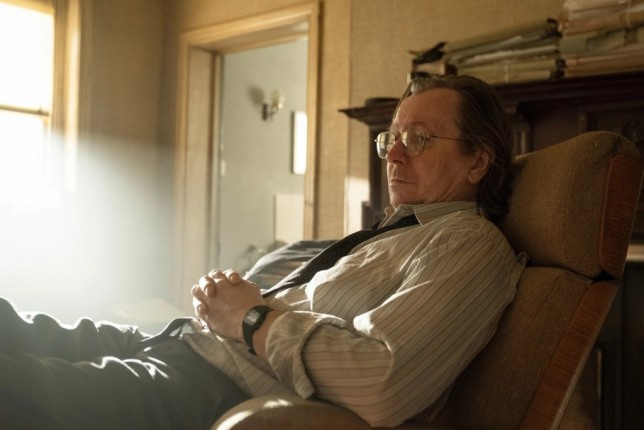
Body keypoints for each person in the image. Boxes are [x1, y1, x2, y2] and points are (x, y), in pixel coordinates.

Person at [0, 74, 526, 429]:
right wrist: (232, 307)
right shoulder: (394, 234)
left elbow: (384, 383)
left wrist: (251, 317)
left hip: (205, 388)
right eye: (391, 140)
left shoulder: (471, 245)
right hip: (181, 344)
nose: (394, 156)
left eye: (419, 139)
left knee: (18, 387)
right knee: (14, 325)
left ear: (478, 161)